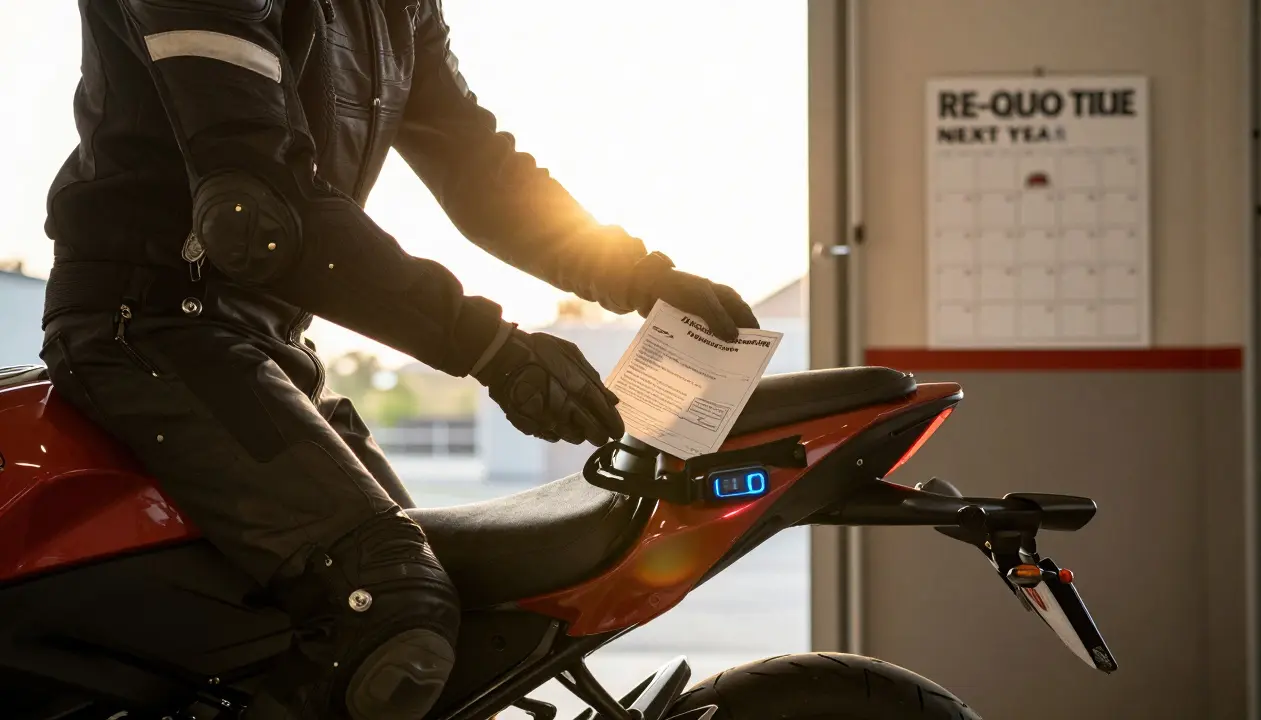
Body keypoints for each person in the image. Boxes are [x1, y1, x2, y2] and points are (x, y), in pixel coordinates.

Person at [40, 1, 759, 718]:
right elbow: (259, 217)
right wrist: (494, 350)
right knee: (388, 607)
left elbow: (477, 167)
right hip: (149, 330)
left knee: (458, 630)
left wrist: (637, 276)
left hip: (262, 350)